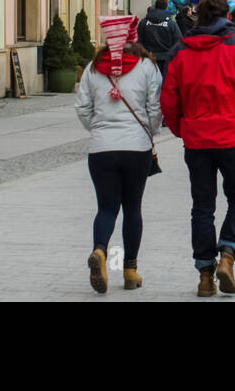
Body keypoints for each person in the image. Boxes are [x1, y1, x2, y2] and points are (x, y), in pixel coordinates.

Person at [162, 0, 235, 296]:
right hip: (233, 135)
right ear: (227, 15)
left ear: (198, 15)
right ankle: (228, 253)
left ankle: (205, 276)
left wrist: (181, 129)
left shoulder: (181, 49)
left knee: (202, 206)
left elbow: (168, 98)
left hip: (197, 140)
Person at [75, 21, 163, 293]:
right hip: (136, 148)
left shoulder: (93, 68)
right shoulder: (147, 67)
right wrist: (149, 131)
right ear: (133, 38)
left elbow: (82, 108)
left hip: (101, 149)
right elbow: (154, 108)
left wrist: (99, 129)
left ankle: (100, 252)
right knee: (133, 208)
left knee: (106, 207)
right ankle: (129, 271)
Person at [138, 0, 183, 77]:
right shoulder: (171, 24)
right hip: (167, 59)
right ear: (166, 8)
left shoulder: (144, 22)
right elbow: (178, 42)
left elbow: (139, 41)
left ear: (155, 7)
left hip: (148, 58)